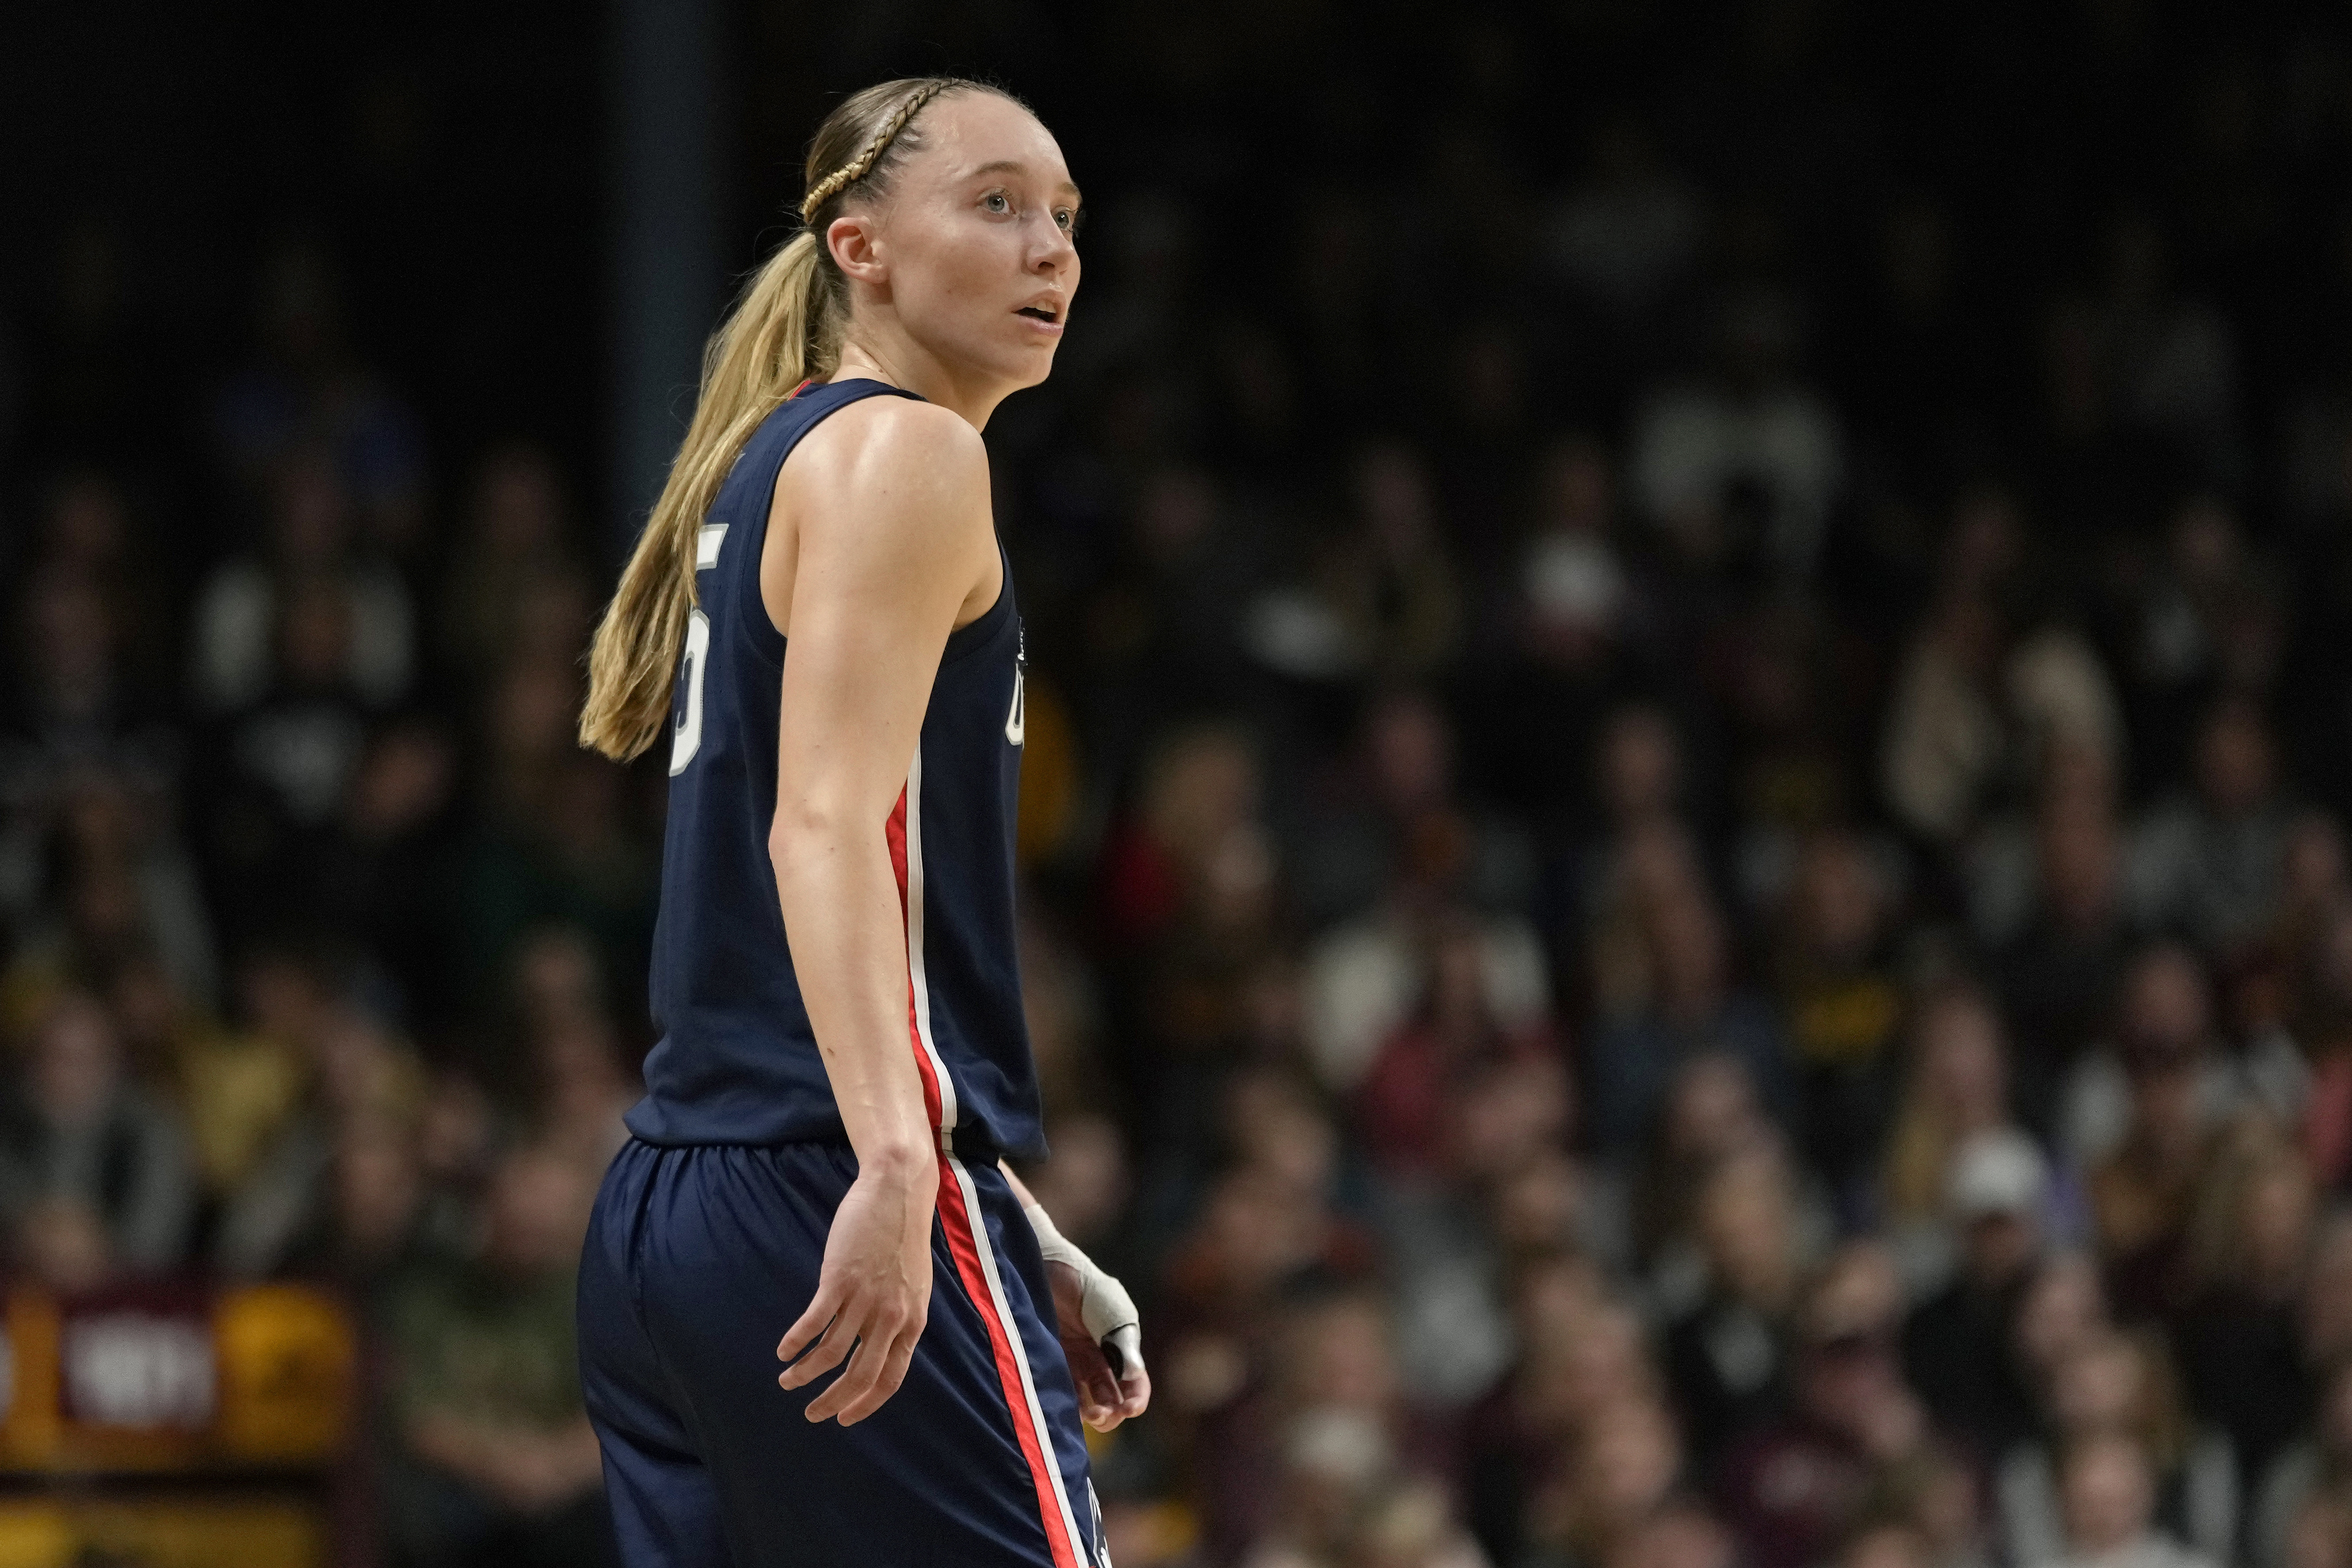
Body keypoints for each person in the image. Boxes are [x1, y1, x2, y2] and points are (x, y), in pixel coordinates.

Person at [571, 78, 1145, 1568]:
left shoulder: (778, 459)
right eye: (1000, 204)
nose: (1053, 255)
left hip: (672, 1207)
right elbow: (825, 829)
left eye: (1068, 221)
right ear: (859, 247)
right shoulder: (911, 455)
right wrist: (905, 1165)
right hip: (826, 1178)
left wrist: (1008, 1212)